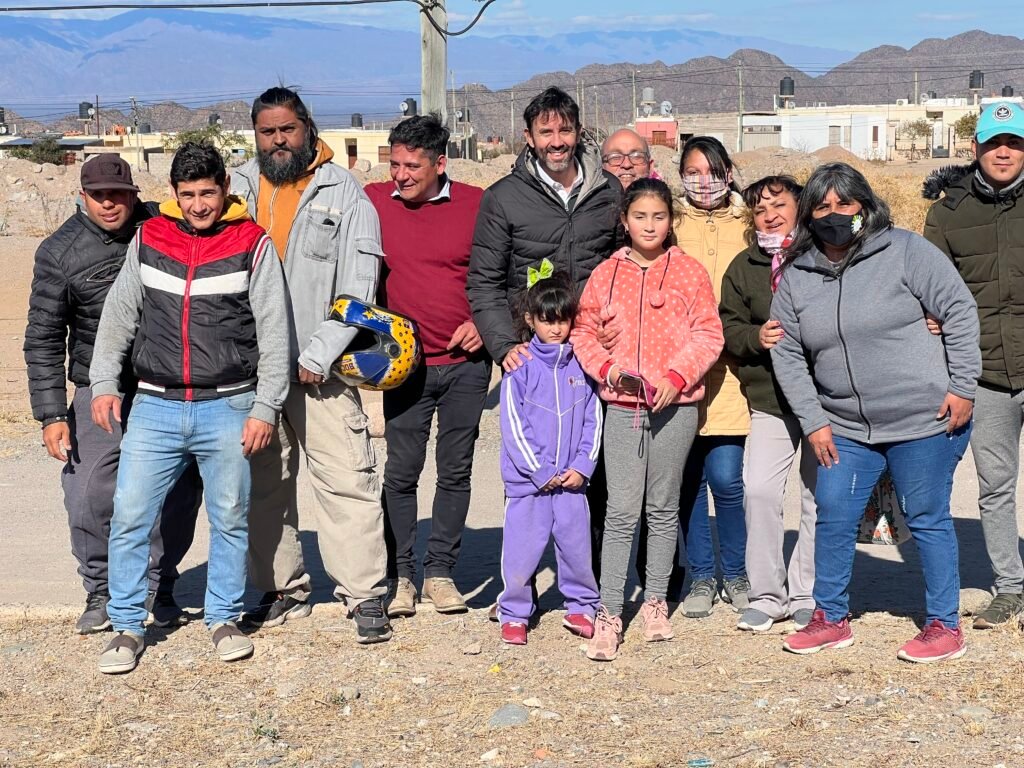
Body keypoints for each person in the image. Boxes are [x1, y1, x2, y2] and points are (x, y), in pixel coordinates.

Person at [89, 142, 290, 673]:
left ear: (225, 188)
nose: (199, 205)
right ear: (173, 197)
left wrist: (265, 407)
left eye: (207, 193)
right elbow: (119, 315)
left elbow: (275, 331)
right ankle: (128, 625)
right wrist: (104, 383)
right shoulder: (149, 237)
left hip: (228, 405)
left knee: (229, 517)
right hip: (153, 406)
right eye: (188, 195)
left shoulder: (253, 243)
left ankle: (223, 617)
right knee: (130, 515)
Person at [771, 162, 980, 663]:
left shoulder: (906, 250)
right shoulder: (798, 275)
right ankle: (830, 617)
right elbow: (787, 351)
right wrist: (814, 421)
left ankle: (944, 625)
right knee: (833, 517)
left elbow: (957, 309)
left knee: (927, 517)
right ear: (808, 215)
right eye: (822, 206)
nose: (835, 214)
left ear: (865, 205)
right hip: (844, 426)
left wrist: (962, 387)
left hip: (922, 418)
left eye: (846, 203)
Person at [231, 87, 394, 644]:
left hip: (317, 370)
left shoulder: (343, 192)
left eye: (287, 130)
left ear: (307, 128)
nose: (278, 141)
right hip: (254, 371)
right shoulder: (239, 188)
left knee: (347, 478)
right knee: (265, 484)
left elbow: (358, 286)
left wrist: (320, 351)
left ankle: (365, 594)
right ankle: (281, 590)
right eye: (267, 132)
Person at [23, 155, 201, 636]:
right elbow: (42, 338)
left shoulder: (164, 228)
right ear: (82, 194)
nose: (109, 203)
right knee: (88, 494)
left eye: (118, 194)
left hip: (169, 384)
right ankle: (101, 589)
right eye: (99, 194)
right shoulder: (59, 252)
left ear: (133, 193)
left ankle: (158, 584)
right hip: (97, 388)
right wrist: (51, 414)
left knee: (178, 494)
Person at [467, 86, 620, 612]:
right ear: (529, 138)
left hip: (590, 350)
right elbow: (484, 281)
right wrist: (504, 344)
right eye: (545, 132)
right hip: (531, 354)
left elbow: (625, 264)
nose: (557, 141)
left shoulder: (608, 191)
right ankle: (519, 592)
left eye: (564, 130)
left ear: (579, 133)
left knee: (589, 463)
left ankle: (591, 587)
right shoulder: (504, 197)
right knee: (528, 472)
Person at [573, 178, 724, 661]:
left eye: (659, 216)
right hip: (622, 406)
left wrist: (677, 378)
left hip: (675, 407)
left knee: (662, 508)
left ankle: (656, 601)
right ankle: (610, 612)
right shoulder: (606, 274)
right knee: (620, 511)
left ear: (671, 221)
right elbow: (583, 333)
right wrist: (610, 370)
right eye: (640, 216)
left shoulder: (689, 273)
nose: (650, 225)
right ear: (624, 220)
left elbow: (708, 333)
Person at [363, 115, 488, 617]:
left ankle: (440, 572)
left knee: (455, 471)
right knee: (401, 472)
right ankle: (402, 576)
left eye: (412, 166)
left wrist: (486, 320)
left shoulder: (479, 205)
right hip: (404, 368)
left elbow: (518, 268)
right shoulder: (372, 201)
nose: (401, 175)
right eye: (394, 164)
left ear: (441, 164)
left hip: (467, 365)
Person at [924, 100, 1024, 630]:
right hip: (983, 372)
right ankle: (1010, 588)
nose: (1003, 152)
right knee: (996, 483)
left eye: (1014, 143)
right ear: (976, 148)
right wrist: (930, 317)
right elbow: (927, 287)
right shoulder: (948, 212)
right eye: (994, 143)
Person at [718, 175, 817, 633]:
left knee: (818, 499)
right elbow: (728, 328)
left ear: (801, 208)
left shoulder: (823, 256)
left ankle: (806, 592)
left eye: (780, 206)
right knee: (758, 491)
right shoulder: (743, 268)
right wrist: (754, 338)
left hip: (824, 402)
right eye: (760, 210)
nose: (771, 215)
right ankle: (766, 593)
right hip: (770, 399)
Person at [497, 267, 601, 645]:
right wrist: (538, 470)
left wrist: (582, 466)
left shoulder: (582, 365)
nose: (556, 328)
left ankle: (582, 606)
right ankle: (514, 612)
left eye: (563, 320)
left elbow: (593, 418)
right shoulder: (519, 367)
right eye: (547, 320)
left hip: (571, 483)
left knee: (576, 549)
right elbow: (512, 425)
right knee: (522, 553)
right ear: (530, 319)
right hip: (529, 485)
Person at [673, 136, 751, 618]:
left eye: (713, 171)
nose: (704, 182)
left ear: (728, 172)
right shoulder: (669, 220)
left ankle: (737, 572)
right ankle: (701, 576)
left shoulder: (747, 222)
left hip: (732, 374)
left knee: (726, 479)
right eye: (694, 171)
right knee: (687, 483)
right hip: (677, 371)